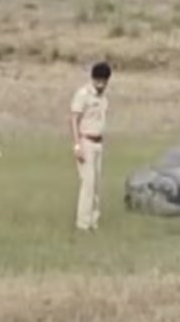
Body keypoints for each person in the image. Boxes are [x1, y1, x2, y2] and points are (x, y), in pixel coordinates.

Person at [70, 61, 112, 232]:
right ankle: (83, 223)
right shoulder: (83, 94)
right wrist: (77, 145)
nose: (101, 85)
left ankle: (94, 221)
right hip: (85, 141)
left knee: (96, 185)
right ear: (93, 78)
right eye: (98, 81)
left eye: (104, 81)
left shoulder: (103, 98)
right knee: (88, 184)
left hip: (98, 143)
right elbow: (74, 119)